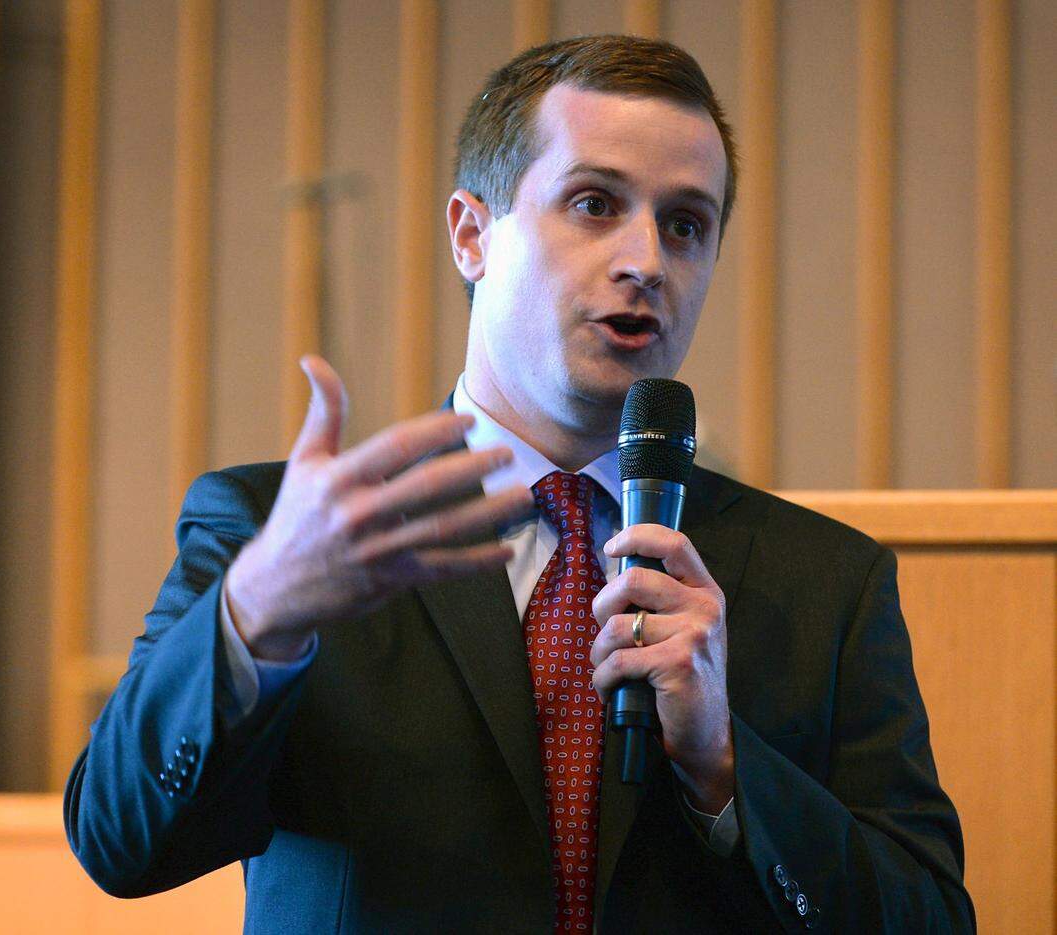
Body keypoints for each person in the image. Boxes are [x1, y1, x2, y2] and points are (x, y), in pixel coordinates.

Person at [65, 35, 974, 933]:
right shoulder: (282, 531)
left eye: (685, 224)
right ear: (472, 235)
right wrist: (258, 609)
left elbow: (930, 917)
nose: (647, 260)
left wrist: (726, 767)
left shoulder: (826, 584)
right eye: (593, 203)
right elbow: (119, 845)